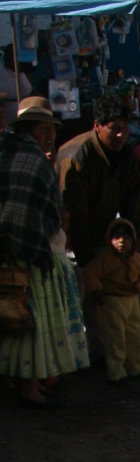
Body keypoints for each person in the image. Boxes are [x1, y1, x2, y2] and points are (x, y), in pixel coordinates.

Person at [0, 98, 89, 406]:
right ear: (27, 130)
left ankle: (28, 382)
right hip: (30, 253)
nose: (50, 136)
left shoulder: (13, 153)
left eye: (52, 129)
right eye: (42, 129)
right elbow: (24, 210)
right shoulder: (31, 160)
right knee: (30, 324)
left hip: (14, 248)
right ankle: (28, 387)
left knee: (21, 322)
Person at [57, 90, 140, 269]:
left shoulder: (129, 158)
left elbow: (135, 212)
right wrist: (91, 266)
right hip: (70, 246)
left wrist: (130, 253)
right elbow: (76, 219)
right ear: (97, 126)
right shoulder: (77, 159)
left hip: (104, 239)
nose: (121, 135)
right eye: (114, 129)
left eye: (125, 129)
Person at [81, 217, 140, 387]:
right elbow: (90, 273)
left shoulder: (137, 259)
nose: (122, 242)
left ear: (133, 240)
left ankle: (136, 367)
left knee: (135, 335)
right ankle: (116, 372)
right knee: (116, 339)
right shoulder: (106, 260)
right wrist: (97, 291)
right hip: (113, 303)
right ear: (109, 240)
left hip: (132, 302)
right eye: (117, 238)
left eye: (126, 238)